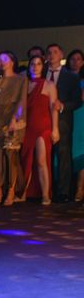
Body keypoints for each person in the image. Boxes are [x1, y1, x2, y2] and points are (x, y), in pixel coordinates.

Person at [0, 51, 27, 206]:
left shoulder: (21, 80)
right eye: (0, 59)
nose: (1, 62)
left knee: (11, 157)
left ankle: (11, 190)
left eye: (4, 59)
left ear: (12, 62)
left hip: (14, 120)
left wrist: (15, 119)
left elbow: (22, 101)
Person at [20, 56, 59, 205]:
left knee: (42, 160)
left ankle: (45, 195)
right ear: (29, 66)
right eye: (32, 64)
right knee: (26, 160)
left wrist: (55, 129)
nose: (35, 66)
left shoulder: (49, 85)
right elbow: (19, 108)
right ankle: (23, 193)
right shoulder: (24, 84)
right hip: (26, 127)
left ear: (43, 67)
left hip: (43, 127)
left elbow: (53, 108)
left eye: (38, 64)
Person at [46, 44, 82, 202]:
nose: (52, 55)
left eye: (55, 52)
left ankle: (63, 192)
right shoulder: (39, 74)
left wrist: (63, 106)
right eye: (49, 52)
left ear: (61, 54)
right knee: (43, 157)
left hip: (63, 122)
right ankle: (45, 190)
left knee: (63, 156)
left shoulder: (72, 77)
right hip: (42, 121)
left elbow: (77, 102)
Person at [66, 49, 84, 202]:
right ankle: (67, 189)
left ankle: (80, 188)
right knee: (68, 152)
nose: (75, 61)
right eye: (72, 59)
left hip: (81, 117)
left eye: (79, 59)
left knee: (80, 152)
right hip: (67, 116)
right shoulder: (64, 79)